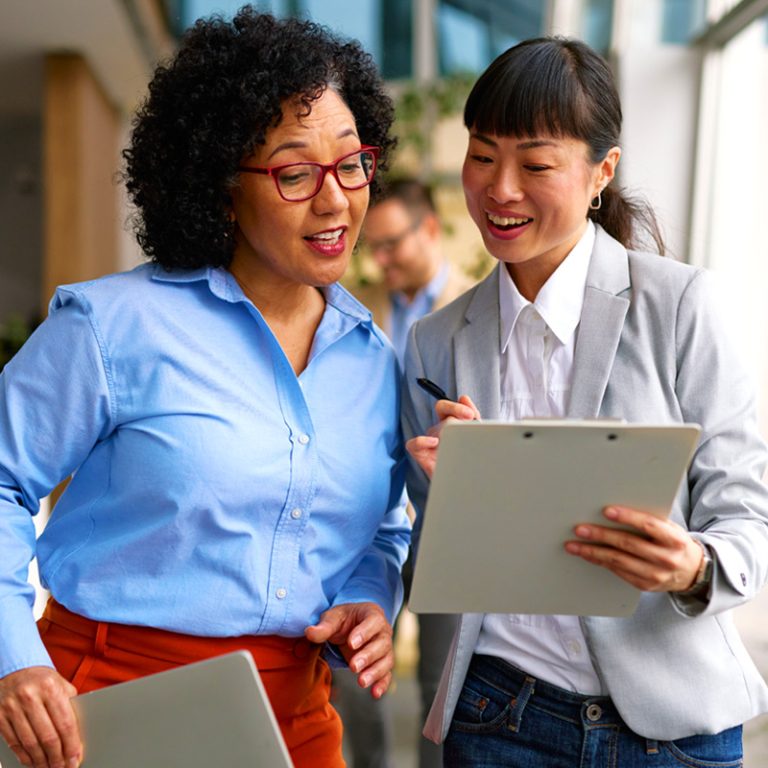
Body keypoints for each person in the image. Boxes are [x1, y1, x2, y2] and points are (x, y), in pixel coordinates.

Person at [0, 9, 411, 768]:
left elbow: (380, 530)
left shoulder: (374, 361)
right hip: (110, 705)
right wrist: (12, 656)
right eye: (295, 174)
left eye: (352, 164)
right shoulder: (113, 325)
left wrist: (371, 603)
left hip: (298, 718)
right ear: (221, 185)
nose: (336, 201)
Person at [402, 37, 768, 767]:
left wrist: (691, 566)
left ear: (602, 172)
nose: (500, 189)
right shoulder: (434, 343)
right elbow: (431, 573)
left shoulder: (681, 307)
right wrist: (462, 504)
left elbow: (750, 521)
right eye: (481, 155)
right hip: (496, 718)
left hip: (671, 732)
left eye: (535, 164)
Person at [335, 179, 470, 768]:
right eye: (374, 247)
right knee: (352, 681)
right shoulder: (350, 308)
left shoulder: (479, 313)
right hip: (366, 526)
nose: (382, 259)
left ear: (431, 230)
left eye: (393, 243)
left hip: (443, 523)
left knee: (441, 688)